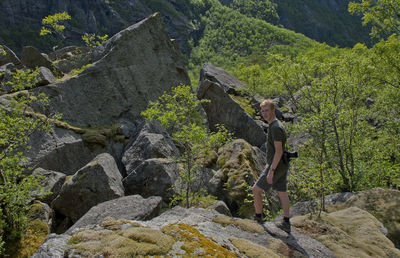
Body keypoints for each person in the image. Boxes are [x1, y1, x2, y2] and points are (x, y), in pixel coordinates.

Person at [252, 99, 291, 233]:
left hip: (277, 166)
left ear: (273, 111)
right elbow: (274, 150)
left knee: (256, 189)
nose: (264, 113)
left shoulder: (275, 127)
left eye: (267, 110)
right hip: (280, 164)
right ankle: (286, 222)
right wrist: (268, 164)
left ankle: (258, 218)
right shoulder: (275, 125)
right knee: (282, 192)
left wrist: (271, 170)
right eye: (262, 111)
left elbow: (279, 150)